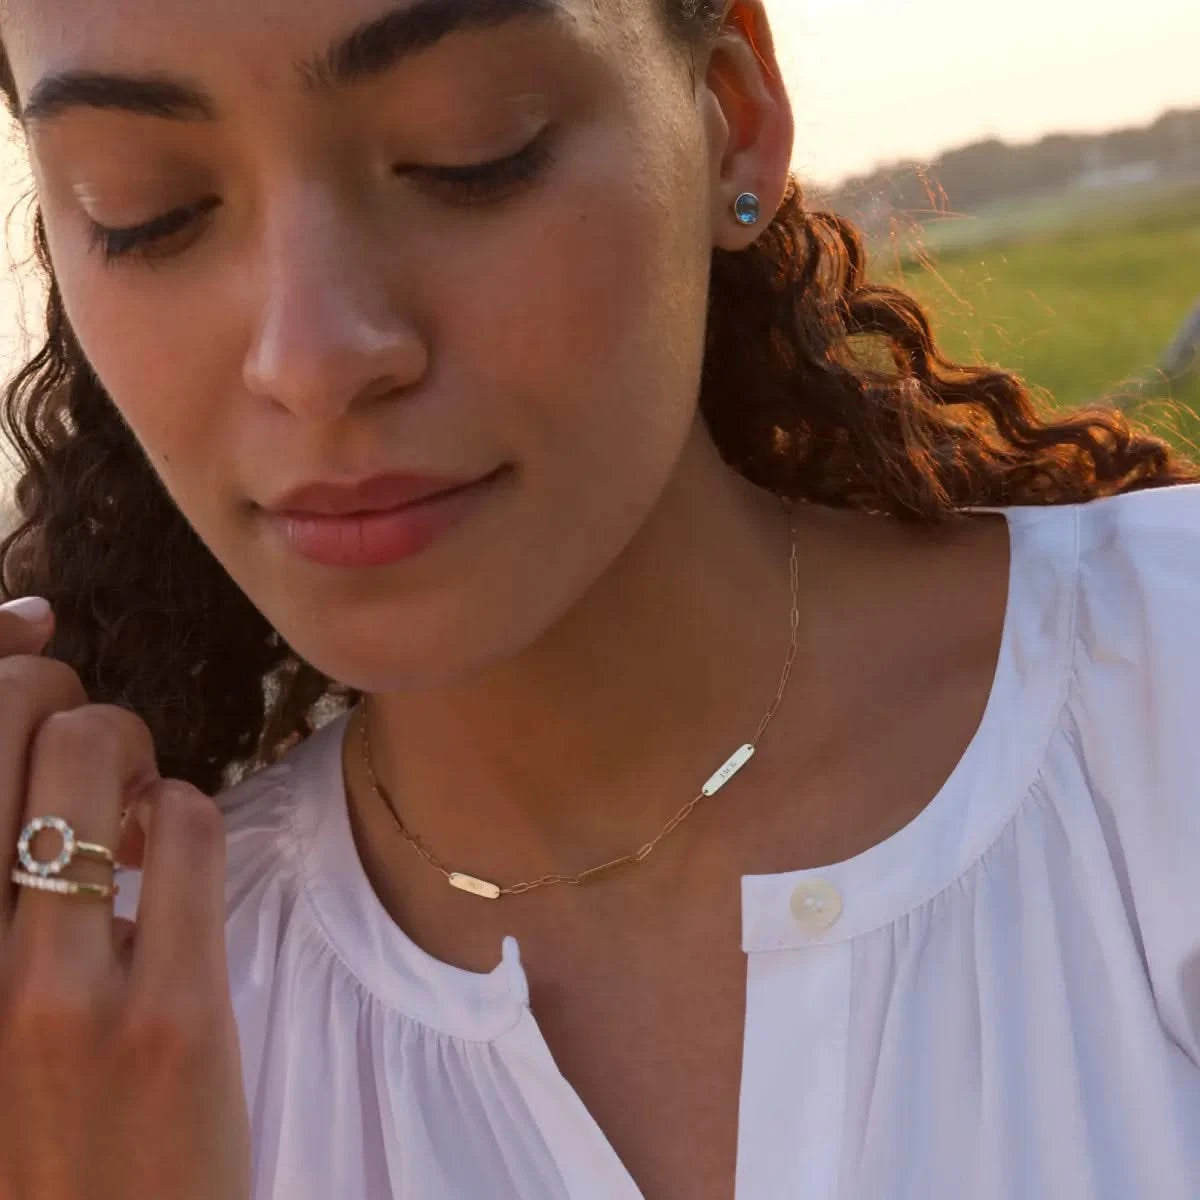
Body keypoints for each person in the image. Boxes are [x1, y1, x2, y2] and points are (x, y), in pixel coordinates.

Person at [0, 1, 1196, 1196]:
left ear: (730, 119)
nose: (312, 361)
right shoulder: (101, 1025)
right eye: (143, 209)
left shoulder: (1162, 704)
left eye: (470, 151)